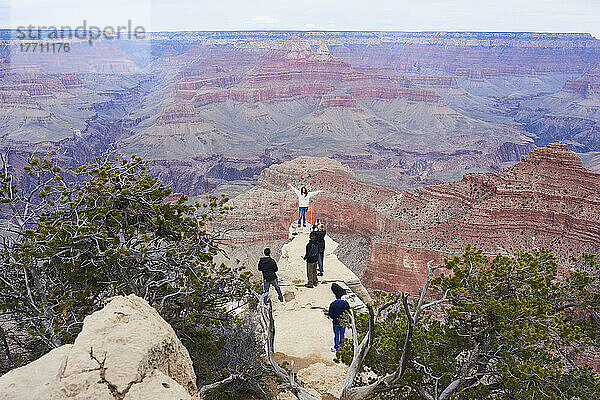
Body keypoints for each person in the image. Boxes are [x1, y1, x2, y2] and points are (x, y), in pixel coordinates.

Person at [328, 283, 350, 352]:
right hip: (343, 322)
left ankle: (337, 347)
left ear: (335, 296)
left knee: (336, 335)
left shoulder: (333, 304)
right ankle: (342, 347)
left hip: (336, 322)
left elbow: (330, 314)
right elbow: (348, 312)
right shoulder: (345, 303)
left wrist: (334, 318)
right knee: (342, 334)